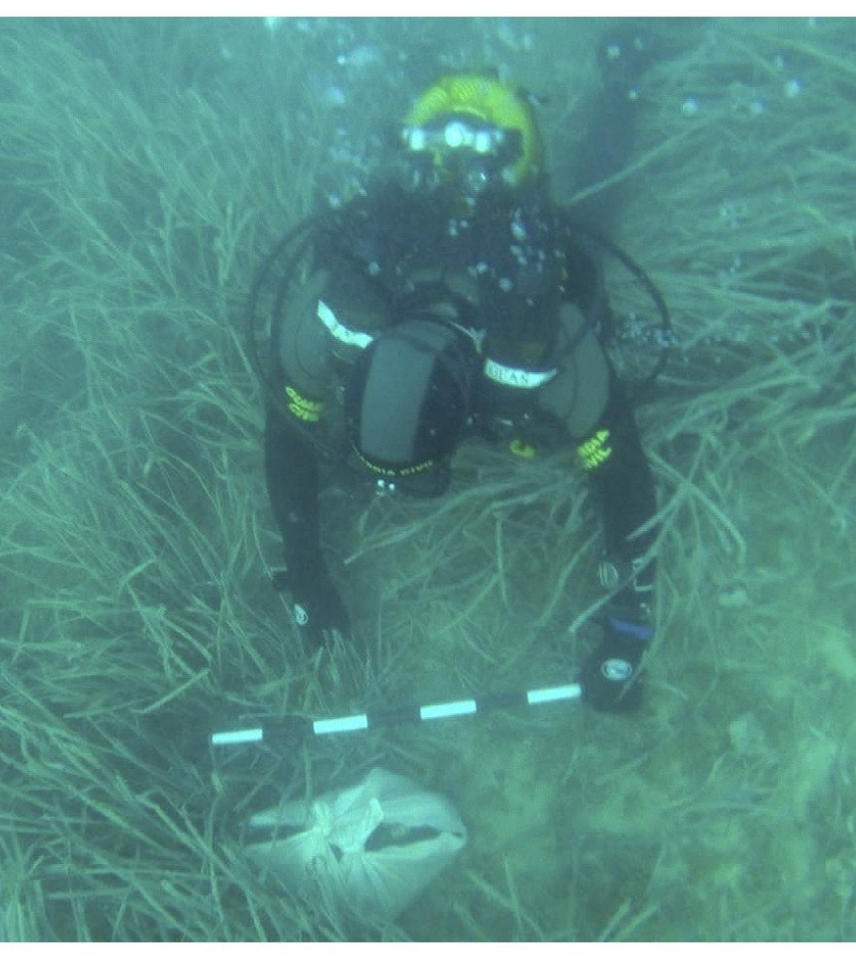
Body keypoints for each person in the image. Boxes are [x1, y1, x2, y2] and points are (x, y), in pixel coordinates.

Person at [255, 33, 663, 713]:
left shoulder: (545, 349)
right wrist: (306, 579)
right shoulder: (331, 320)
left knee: (592, 217)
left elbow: (621, 471)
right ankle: (420, 73)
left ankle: (622, 77)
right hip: (420, 215)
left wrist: (628, 626)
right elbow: (287, 433)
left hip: (500, 195)